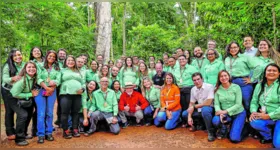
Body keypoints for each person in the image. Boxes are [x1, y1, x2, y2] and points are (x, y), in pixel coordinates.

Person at [249, 64, 280, 148]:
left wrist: (269, 115)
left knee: (278, 145)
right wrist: (253, 112)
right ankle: (268, 136)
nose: (271, 72)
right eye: (269, 70)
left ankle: (276, 132)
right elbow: (254, 101)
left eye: (274, 71)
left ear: (279, 73)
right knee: (254, 121)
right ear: (265, 73)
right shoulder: (259, 86)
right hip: (264, 115)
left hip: (278, 117)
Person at [212, 70, 246, 143]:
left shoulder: (236, 87)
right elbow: (217, 104)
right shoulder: (217, 89)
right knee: (215, 120)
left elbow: (238, 104)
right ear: (219, 78)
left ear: (229, 76)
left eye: (225, 75)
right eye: (221, 76)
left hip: (238, 113)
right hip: (225, 114)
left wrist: (225, 111)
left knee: (234, 139)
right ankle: (228, 127)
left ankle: (245, 128)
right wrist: (219, 112)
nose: (223, 78)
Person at [10, 61, 39, 146]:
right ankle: (19, 138)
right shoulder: (22, 80)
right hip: (13, 98)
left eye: (33, 67)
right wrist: (30, 94)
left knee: (29, 113)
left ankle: (24, 133)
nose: (31, 69)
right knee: (23, 115)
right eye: (29, 67)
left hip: (25, 99)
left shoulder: (34, 78)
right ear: (25, 69)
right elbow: (14, 94)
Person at [34, 50, 61, 143]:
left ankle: (49, 132)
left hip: (52, 91)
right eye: (50, 56)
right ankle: (40, 134)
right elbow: (38, 77)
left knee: (49, 112)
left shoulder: (57, 67)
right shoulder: (40, 65)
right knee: (41, 113)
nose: (52, 58)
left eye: (54, 56)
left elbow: (58, 79)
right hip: (41, 90)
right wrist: (46, 87)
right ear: (46, 56)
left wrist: (52, 87)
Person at [224, 41, 256, 114]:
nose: (233, 49)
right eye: (231, 48)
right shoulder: (227, 59)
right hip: (231, 82)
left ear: (238, 48)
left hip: (243, 82)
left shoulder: (245, 57)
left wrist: (252, 79)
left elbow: (256, 67)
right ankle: (242, 119)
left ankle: (250, 118)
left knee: (247, 101)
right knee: (235, 102)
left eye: (235, 47)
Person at [182, 72, 215, 142]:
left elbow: (208, 102)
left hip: (209, 108)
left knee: (205, 110)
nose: (197, 82)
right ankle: (197, 125)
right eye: (194, 80)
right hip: (199, 109)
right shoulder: (193, 89)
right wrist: (189, 116)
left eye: (198, 79)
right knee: (185, 113)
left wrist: (194, 106)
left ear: (202, 79)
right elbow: (191, 103)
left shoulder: (209, 86)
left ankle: (210, 132)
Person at [1, 49, 25, 141]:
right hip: (7, 90)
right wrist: (13, 78)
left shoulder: (24, 64)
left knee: (20, 110)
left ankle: (20, 130)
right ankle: (10, 132)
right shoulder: (7, 65)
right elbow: (5, 78)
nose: (18, 57)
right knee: (9, 111)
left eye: (19, 54)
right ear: (11, 57)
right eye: (15, 56)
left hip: (18, 90)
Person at [59, 55, 85, 139]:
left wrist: (83, 89)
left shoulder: (78, 71)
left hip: (77, 94)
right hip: (65, 93)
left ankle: (75, 129)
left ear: (75, 62)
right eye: (68, 60)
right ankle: (65, 130)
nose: (70, 62)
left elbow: (83, 82)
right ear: (66, 62)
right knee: (65, 112)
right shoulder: (62, 71)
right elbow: (58, 81)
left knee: (76, 112)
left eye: (72, 60)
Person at [174, 55, 198, 127]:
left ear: (186, 60)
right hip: (180, 89)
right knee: (183, 106)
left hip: (189, 88)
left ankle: (193, 122)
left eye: (183, 59)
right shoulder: (176, 69)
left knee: (190, 105)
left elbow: (197, 78)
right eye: (180, 60)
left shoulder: (192, 68)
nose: (181, 61)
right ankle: (185, 121)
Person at [55, 48, 67, 127]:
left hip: (65, 86)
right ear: (58, 54)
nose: (62, 55)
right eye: (60, 53)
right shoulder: (55, 63)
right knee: (59, 103)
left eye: (63, 54)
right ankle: (59, 120)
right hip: (57, 86)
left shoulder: (68, 63)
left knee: (64, 104)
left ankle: (63, 121)